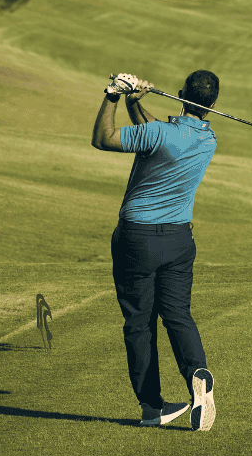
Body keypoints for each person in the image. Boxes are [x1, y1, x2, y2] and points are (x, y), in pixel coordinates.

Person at [92, 69, 219, 431]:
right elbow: (156, 135)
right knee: (178, 314)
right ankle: (197, 372)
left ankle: (152, 407)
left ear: (180, 93)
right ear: (212, 106)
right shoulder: (208, 139)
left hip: (137, 240)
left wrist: (113, 94)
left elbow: (103, 138)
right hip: (179, 240)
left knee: (139, 324)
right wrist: (135, 104)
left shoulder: (161, 133)